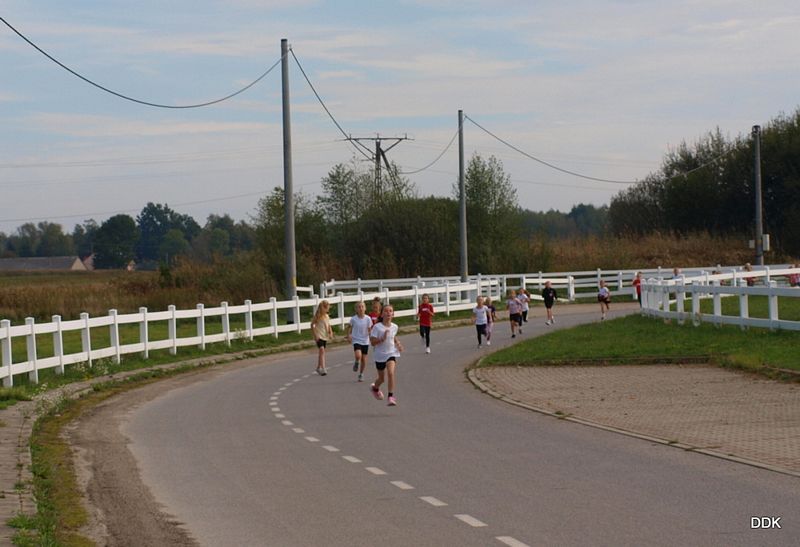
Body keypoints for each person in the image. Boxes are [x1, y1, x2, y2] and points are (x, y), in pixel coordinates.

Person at [369, 304, 403, 406]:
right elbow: (372, 342)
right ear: (382, 314)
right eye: (386, 311)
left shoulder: (395, 326)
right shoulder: (377, 327)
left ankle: (390, 397)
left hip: (391, 353)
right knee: (381, 379)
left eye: (390, 311)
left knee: (391, 373)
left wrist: (398, 344)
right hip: (379, 355)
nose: (388, 312)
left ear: (393, 314)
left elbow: (393, 336)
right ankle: (375, 388)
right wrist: (381, 339)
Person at [346, 301, 372, 382]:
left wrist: (371, 337)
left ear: (365, 308)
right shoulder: (353, 319)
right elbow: (349, 328)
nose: (361, 308)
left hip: (365, 340)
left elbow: (369, 329)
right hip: (356, 339)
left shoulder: (368, 318)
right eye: (359, 307)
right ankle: (357, 361)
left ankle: (361, 374)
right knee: (358, 355)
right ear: (356, 309)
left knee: (364, 359)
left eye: (362, 306)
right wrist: (349, 336)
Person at [311, 300, 333, 375]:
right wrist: (315, 335)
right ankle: (323, 368)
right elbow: (312, 325)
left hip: (324, 336)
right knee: (322, 350)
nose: (327, 309)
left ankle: (318, 367)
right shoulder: (318, 316)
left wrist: (330, 332)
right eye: (326, 308)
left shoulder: (327, 316)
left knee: (321, 352)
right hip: (319, 336)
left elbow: (328, 325)